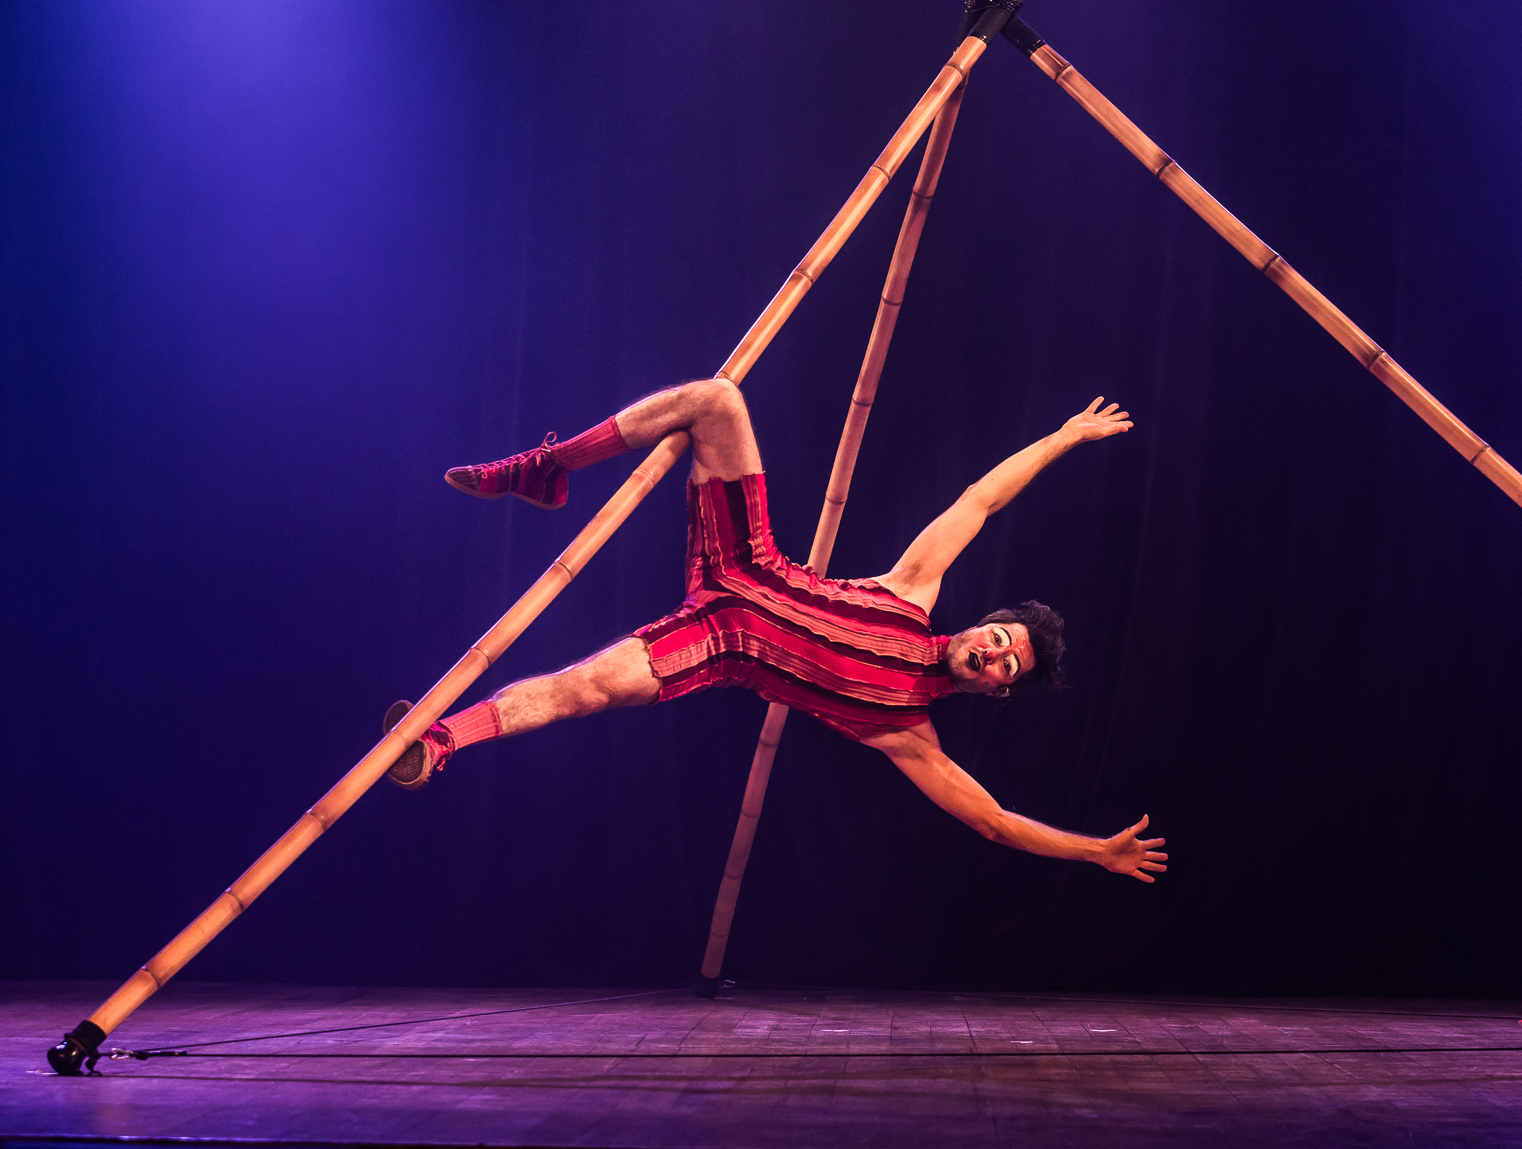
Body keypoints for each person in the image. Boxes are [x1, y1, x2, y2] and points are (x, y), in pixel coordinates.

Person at [388, 378, 1166, 883]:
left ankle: (439, 744)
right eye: (1002, 640)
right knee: (718, 400)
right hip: (749, 563)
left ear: (999, 691)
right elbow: (981, 500)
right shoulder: (914, 591)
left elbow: (993, 823)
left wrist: (1095, 851)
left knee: (581, 689)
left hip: (717, 644)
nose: (996, 656)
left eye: (1008, 668)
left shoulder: (905, 731)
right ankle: (550, 468)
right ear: (984, 625)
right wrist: (1063, 438)